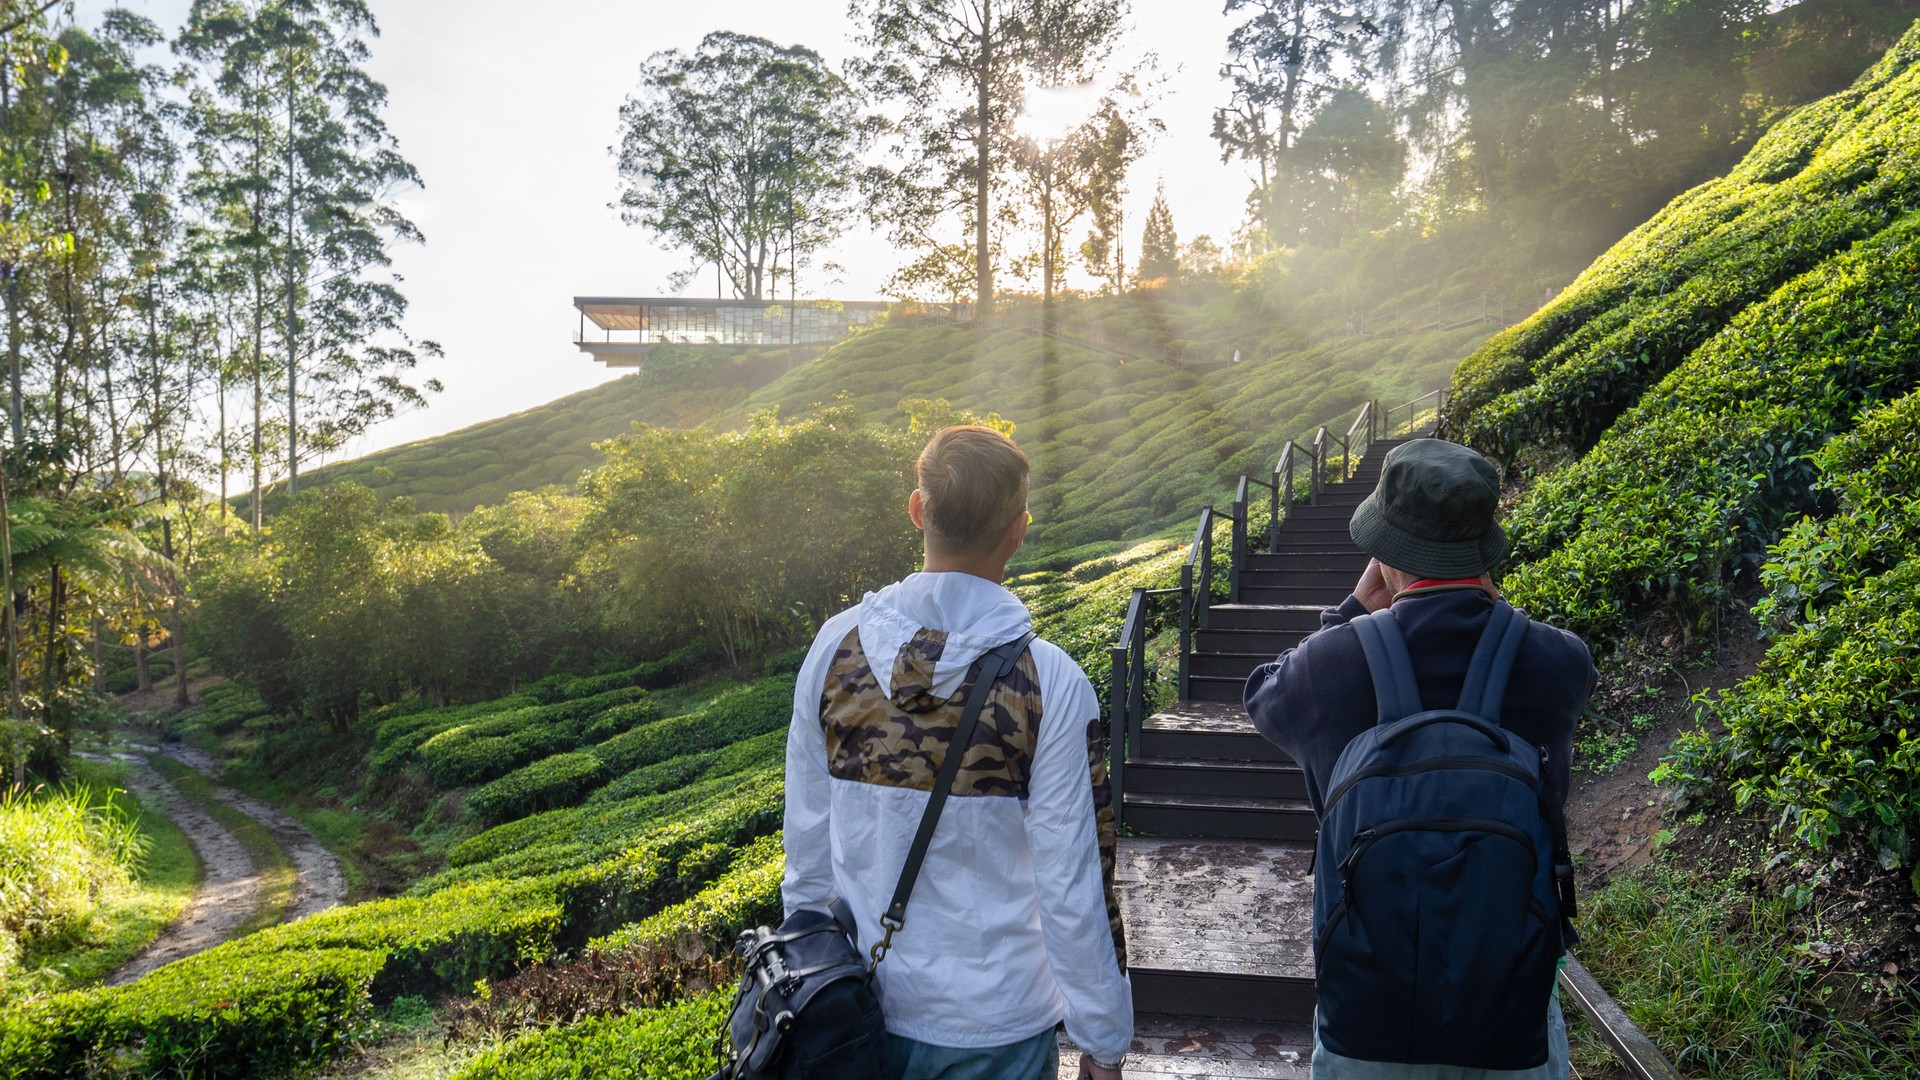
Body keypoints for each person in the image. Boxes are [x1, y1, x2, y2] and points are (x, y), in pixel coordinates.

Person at [783, 425, 1133, 1080]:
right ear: (1019, 529)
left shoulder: (834, 653)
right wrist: (1104, 1040)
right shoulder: (1048, 684)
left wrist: (809, 984)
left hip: (850, 1022)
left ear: (918, 510)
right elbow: (1075, 881)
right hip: (993, 1032)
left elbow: (806, 854)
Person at [1242, 438, 1596, 1080]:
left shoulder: (1329, 668)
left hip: (1368, 1025)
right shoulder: (1559, 664)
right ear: (1484, 551)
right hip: (1510, 1018)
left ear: (1386, 552)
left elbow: (1262, 695)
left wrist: (1348, 613)